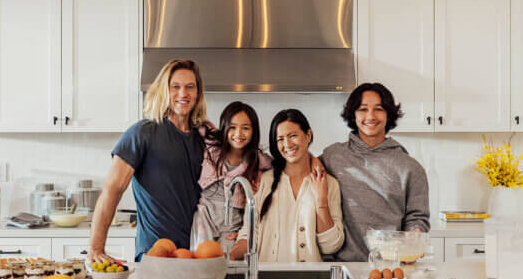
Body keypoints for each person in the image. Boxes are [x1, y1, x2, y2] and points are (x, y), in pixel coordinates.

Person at [89, 59, 207, 263]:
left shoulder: (204, 139)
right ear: (164, 91)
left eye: (190, 87)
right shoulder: (142, 133)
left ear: (198, 93)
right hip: (154, 254)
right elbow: (112, 189)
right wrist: (96, 248)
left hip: (195, 253)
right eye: (175, 87)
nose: (183, 93)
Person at [320, 82, 430, 263]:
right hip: (341, 267)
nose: (370, 116)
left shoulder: (410, 167)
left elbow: (417, 217)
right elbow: (300, 167)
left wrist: (415, 235)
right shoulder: (333, 156)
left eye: (378, 109)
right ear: (353, 115)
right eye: (363, 109)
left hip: (391, 267)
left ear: (388, 115)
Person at [234, 109, 344, 263]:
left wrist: (321, 201)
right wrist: (228, 256)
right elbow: (250, 236)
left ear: (308, 135)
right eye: (280, 139)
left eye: (293, 136)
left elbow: (331, 246)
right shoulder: (263, 182)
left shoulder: (329, 184)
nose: (287, 144)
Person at [191, 102, 271, 247]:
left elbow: (280, 163)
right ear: (224, 127)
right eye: (232, 127)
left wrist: (313, 160)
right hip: (205, 216)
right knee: (202, 259)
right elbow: (197, 125)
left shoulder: (256, 159)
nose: (238, 133)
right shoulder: (212, 145)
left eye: (245, 128)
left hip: (232, 224)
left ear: (254, 131)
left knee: (228, 265)